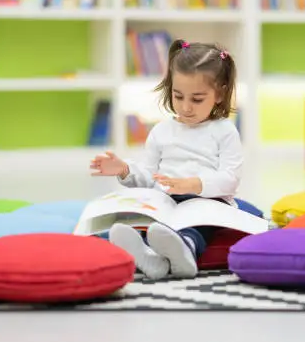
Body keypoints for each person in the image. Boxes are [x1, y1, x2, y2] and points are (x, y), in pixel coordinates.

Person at [89, 39, 242, 280]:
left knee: (195, 222)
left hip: (206, 201)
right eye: (178, 96)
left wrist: (193, 184)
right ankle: (151, 257)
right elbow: (149, 176)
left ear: (220, 93)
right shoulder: (162, 131)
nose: (186, 107)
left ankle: (186, 252)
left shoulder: (225, 131)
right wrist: (125, 169)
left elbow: (230, 179)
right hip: (166, 200)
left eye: (197, 99)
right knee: (146, 219)